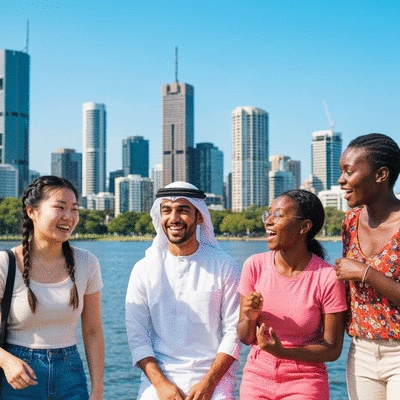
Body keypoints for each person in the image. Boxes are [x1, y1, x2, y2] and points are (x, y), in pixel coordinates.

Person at [125, 181, 241, 399]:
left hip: (214, 379)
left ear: (200, 217)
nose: (173, 218)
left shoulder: (225, 266)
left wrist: (208, 383)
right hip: (159, 379)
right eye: (166, 210)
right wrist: (161, 384)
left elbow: (233, 332)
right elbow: (137, 335)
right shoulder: (144, 269)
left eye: (183, 210)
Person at [0, 176, 104, 400]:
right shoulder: (4, 264)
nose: (68, 216)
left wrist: (97, 390)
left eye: (74, 209)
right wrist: (6, 361)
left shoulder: (87, 262)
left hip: (71, 375)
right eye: (59, 207)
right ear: (32, 212)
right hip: (18, 377)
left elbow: (93, 331)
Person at [237, 189, 347, 400]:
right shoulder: (254, 266)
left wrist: (284, 353)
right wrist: (249, 317)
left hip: (305, 379)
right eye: (267, 215)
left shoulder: (327, 278)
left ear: (304, 226)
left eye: (277, 215)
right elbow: (244, 337)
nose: (268, 221)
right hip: (256, 377)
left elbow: (332, 350)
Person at [335, 133, 400, 400]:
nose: (341, 180)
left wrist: (365, 274)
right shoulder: (350, 223)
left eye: (348, 172)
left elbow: (357, 274)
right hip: (360, 351)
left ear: (381, 174)